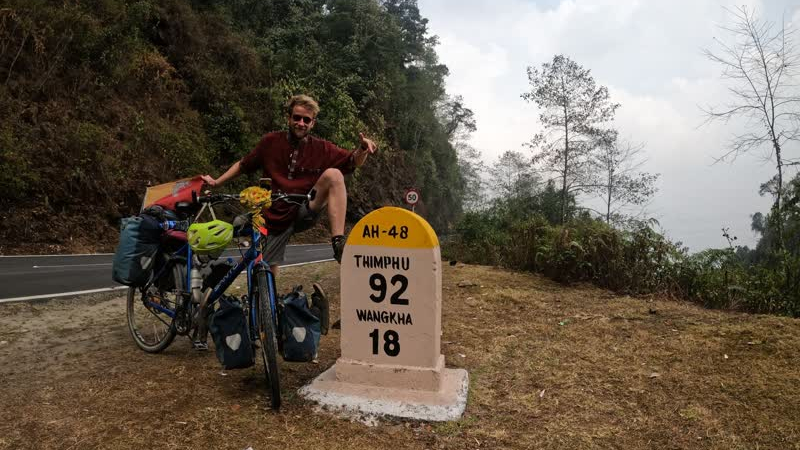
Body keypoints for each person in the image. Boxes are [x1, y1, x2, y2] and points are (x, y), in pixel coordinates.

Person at [201, 94, 377, 277]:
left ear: (312, 123)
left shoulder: (322, 148)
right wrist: (216, 182)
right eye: (297, 118)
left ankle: (338, 242)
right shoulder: (270, 142)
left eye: (306, 120)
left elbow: (352, 161)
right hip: (270, 213)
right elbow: (243, 164)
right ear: (289, 118)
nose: (301, 123)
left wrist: (362, 149)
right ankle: (207, 264)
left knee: (334, 175)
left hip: (302, 209)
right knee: (262, 268)